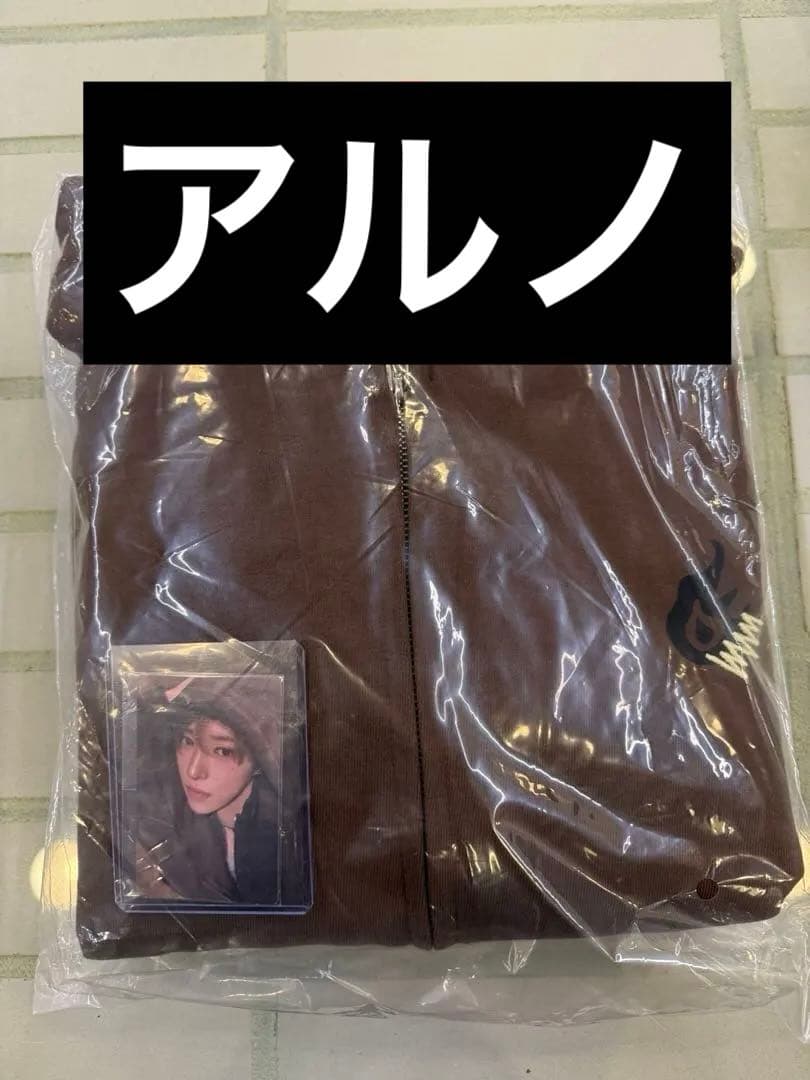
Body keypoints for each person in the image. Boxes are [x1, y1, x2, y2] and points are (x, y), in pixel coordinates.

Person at [130, 679, 282, 905]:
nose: (193, 771)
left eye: (222, 751)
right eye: (187, 741)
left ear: (260, 756)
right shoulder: (158, 829)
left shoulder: (284, 837)